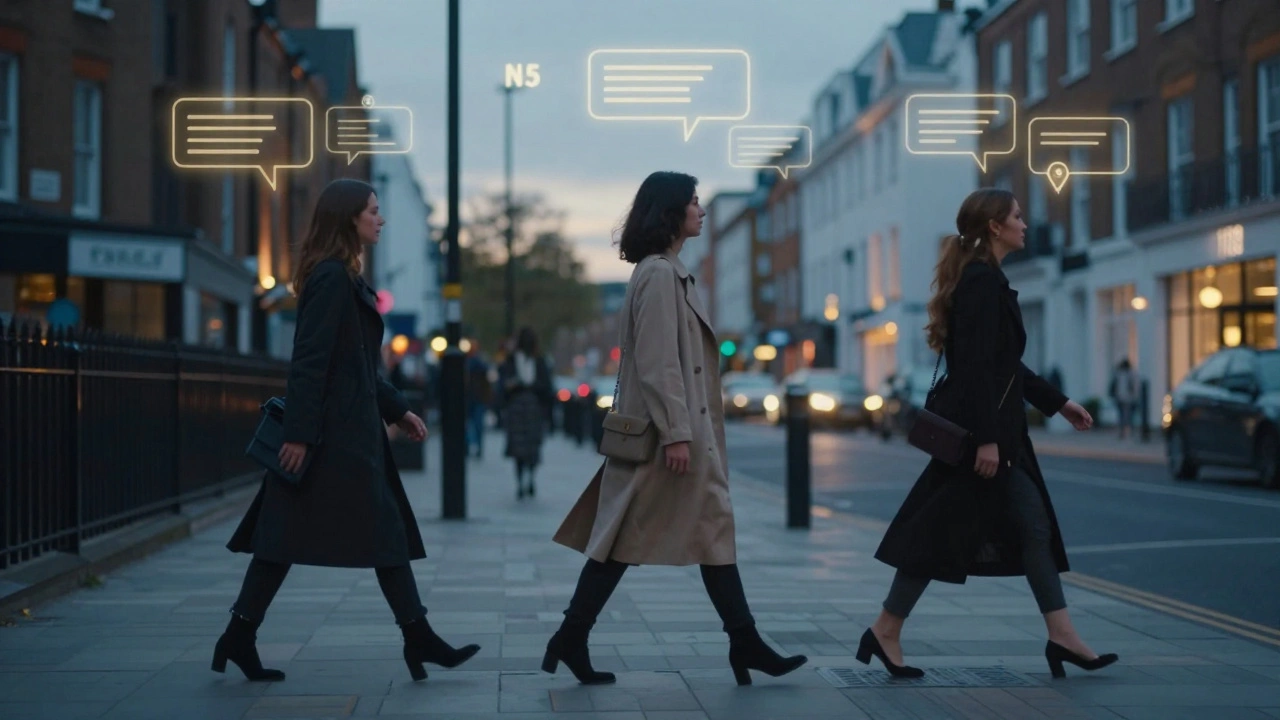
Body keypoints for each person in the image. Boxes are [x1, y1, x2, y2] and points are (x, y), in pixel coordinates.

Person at [548, 171, 807, 687]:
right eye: (692, 202)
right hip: (670, 438)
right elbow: (660, 362)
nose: (701, 210)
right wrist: (677, 434)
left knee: (691, 533)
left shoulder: (663, 271)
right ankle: (741, 642)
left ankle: (741, 641)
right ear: (671, 213)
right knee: (647, 536)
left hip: (674, 433)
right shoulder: (662, 275)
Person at [218, 179, 480, 683]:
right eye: (373, 212)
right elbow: (311, 361)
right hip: (332, 440)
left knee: (293, 536)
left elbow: (356, 363)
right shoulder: (332, 278)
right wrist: (297, 434)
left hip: (346, 434)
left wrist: (397, 409)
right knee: (365, 533)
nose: (380, 220)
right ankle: (417, 638)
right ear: (349, 219)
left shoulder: (343, 277)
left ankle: (240, 636)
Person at [867, 188, 1117, 680]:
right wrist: (986, 439)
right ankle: (886, 628)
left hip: (999, 436)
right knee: (946, 532)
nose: (1026, 224)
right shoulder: (982, 282)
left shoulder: (988, 279)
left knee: (1031, 528)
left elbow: (1004, 366)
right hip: (985, 439)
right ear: (994, 228)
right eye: (1018, 217)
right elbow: (978, 367)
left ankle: (1061, 636)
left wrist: (1058, 403)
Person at [501, 327, 552, 498]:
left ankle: (523, 479)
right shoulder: (538, 361)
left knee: (523, 449)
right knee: (529, 447)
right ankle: (527, 478)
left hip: (521, 409)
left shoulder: (516, 360)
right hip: (530, 409)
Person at [465, 347, 493, 458]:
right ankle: (474, 448)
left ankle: (472, 448)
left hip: (475, 399)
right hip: (474, 399)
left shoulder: (474, 365)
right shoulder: (478, 365)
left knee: (475, 425)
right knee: (475, 425)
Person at [1109, 358, 1140, 440]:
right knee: (1127, 415)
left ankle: (1124, 430)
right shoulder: (1130, 374)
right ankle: (1126, 430)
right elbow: (1134, 386)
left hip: (1121, 397)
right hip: (1127, 398)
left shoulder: (1118, 374)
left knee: (1123, 415)